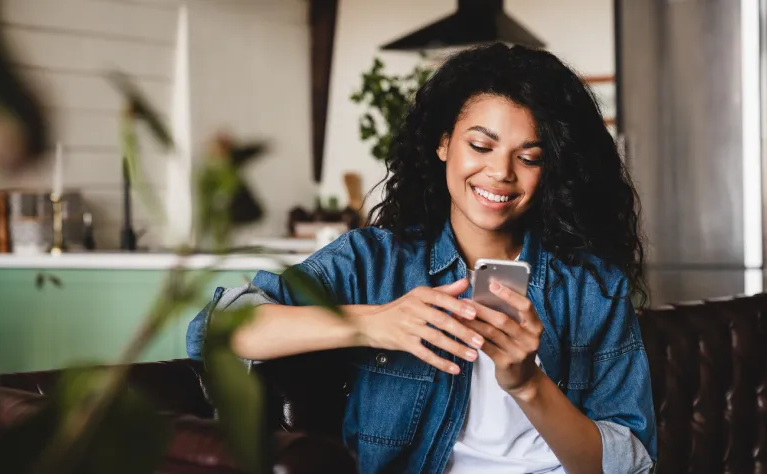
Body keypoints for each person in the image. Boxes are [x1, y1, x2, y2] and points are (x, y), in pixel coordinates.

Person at [187, 43, 657, 474]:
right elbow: (217, 329)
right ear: (443, 142)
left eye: (529, 157)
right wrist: (372, 322)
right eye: (481, 146)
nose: (501, 172)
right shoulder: (372, 262)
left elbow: (630, 463)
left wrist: (529, 384)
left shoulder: (591, 287)